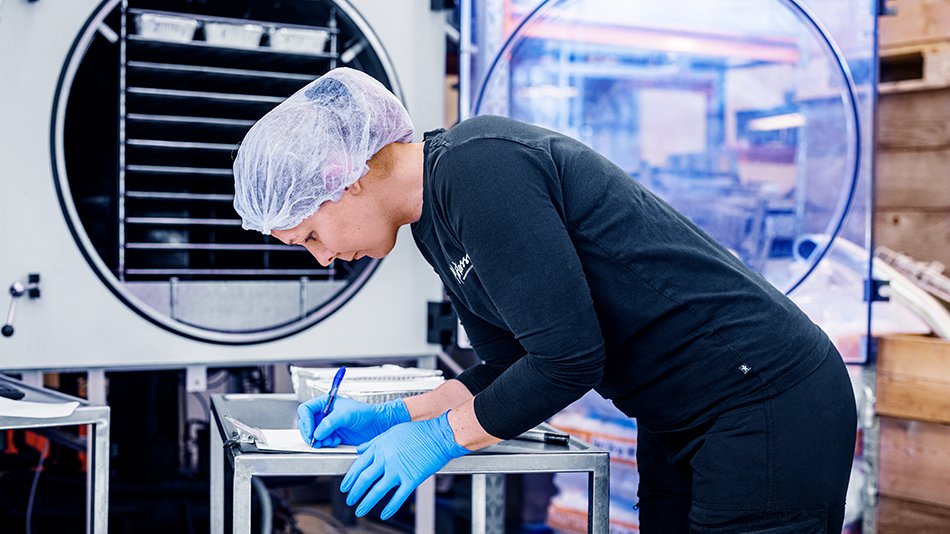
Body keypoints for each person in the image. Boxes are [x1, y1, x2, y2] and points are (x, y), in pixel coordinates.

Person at [232, 67, 857, 532]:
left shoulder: (480, 167)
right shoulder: (433, 221)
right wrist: (401, 416)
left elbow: (568, 361)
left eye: (310, 234)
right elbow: (513, 368)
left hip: (763, 397)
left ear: (342, 176)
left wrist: (439, 439)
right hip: (679, 418)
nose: (322, 256)